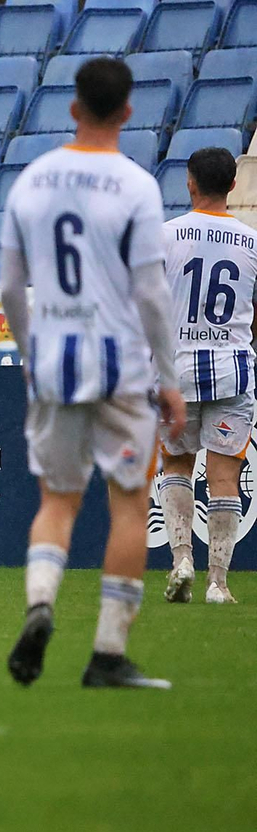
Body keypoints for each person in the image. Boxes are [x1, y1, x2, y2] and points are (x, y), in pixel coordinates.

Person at [0, 57, 187, 690]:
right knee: (130, 504)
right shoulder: (136, 186)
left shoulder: (32, 180)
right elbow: (152, 295)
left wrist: (32, 356)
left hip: (54, 364)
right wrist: (170, 377)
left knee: (58, 500)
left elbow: (9, 289)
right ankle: (107, 653)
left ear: (73, 108)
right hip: (120, 369)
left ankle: (41, 605)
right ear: (128, 112)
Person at [157, 146, 257, 605]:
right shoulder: (252, 240)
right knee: (224, 478)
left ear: (190, 183)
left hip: (177, 368)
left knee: (176, 464)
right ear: (234, 186)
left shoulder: (166, 235)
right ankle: (219, 583)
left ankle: (181, 560)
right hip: (232, 370)